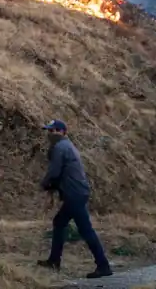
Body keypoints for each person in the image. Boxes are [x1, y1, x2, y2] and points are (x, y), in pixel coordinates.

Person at [37, 119, 113, 279]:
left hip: (74, 194)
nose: (51, 134)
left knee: (84, 229)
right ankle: (54, 261)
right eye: (49, 131)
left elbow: (54, 173)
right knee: (60, 223)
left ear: (63, 132)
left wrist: (44, 185)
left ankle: (103, 265)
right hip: (78, 193)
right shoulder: (66, 146)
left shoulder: (60, 148)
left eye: (54, 130)